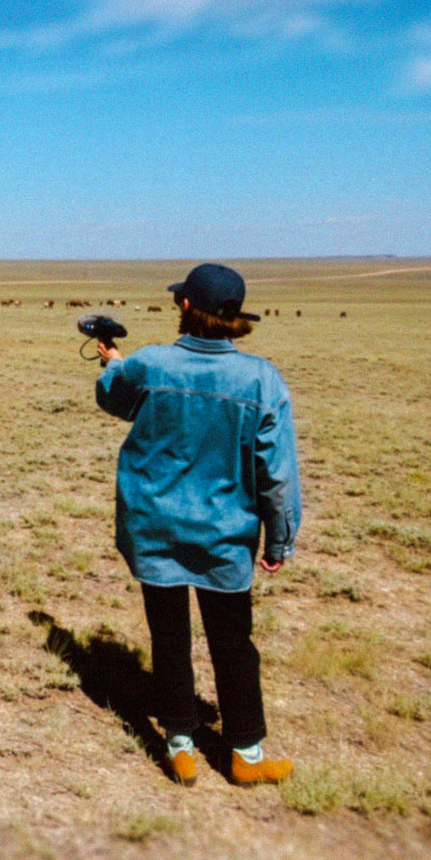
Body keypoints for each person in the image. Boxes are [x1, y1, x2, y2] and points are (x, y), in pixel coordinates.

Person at [94, 263, 301, 786]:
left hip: (155, 528)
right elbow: (277, 475)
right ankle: (246, 756)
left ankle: (180, 745)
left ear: (185, 307)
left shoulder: (151, 365)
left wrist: (112, 362)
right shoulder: (261, 379)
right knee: (234, 643)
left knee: (168, 637)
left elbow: (113, 399)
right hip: (225, 538)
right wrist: (279, 538)